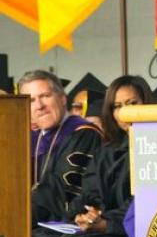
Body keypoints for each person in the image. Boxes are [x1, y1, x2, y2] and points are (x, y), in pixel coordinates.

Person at [36, 75, 155, 237]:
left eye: (132, 104)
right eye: (117, 106)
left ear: (147, 103)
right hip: (103, 228)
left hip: (134, 234)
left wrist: (106, 223)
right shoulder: (109, 150)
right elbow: (90, 192)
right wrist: (85, 213)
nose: (124, 113)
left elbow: (144, 202)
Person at [18, 70, 103, 224]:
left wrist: (18, 212)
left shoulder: (83, 134)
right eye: (31, 100)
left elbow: (62, 192)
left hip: (65, 227)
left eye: (45, 96)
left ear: (63, 98)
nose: (39, 106)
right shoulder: (29, 137)